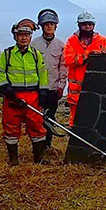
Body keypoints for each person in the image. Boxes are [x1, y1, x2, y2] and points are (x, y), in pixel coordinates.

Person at [0, 19, 50, 165]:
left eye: (27, 35)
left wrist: (43, 92)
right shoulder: (7, 54)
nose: (24, 38)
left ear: (31, 37)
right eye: (21, 35)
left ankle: (39, 158)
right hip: (13, 97)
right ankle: (13, 159)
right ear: (15, 36)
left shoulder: (36, 55)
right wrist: (6, 88)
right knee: (11, 126)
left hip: (33, 96)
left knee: (36, 126)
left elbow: (43, 74)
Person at [63, 11, 106, 126]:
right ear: (79, 25)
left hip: (97, 89)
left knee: (97, 120)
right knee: (75, 122)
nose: (87, 27)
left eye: (90, 24)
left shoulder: (103, 41)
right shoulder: (71, 41)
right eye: (84, 24)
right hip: (76, 93)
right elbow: (68, 60)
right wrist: (87, 55)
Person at [31, 8, 66, 149]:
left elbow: (64, 67)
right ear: (42, 26)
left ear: (56, 26)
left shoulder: (60, 45)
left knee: (50, 116)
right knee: (37, 117)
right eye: (46, 24)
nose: (49, 26)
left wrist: (61, 86)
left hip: (53, 87)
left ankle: (47, 144)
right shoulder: (34, 44)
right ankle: (37, 143)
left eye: (52, 24)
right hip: (37, 87)